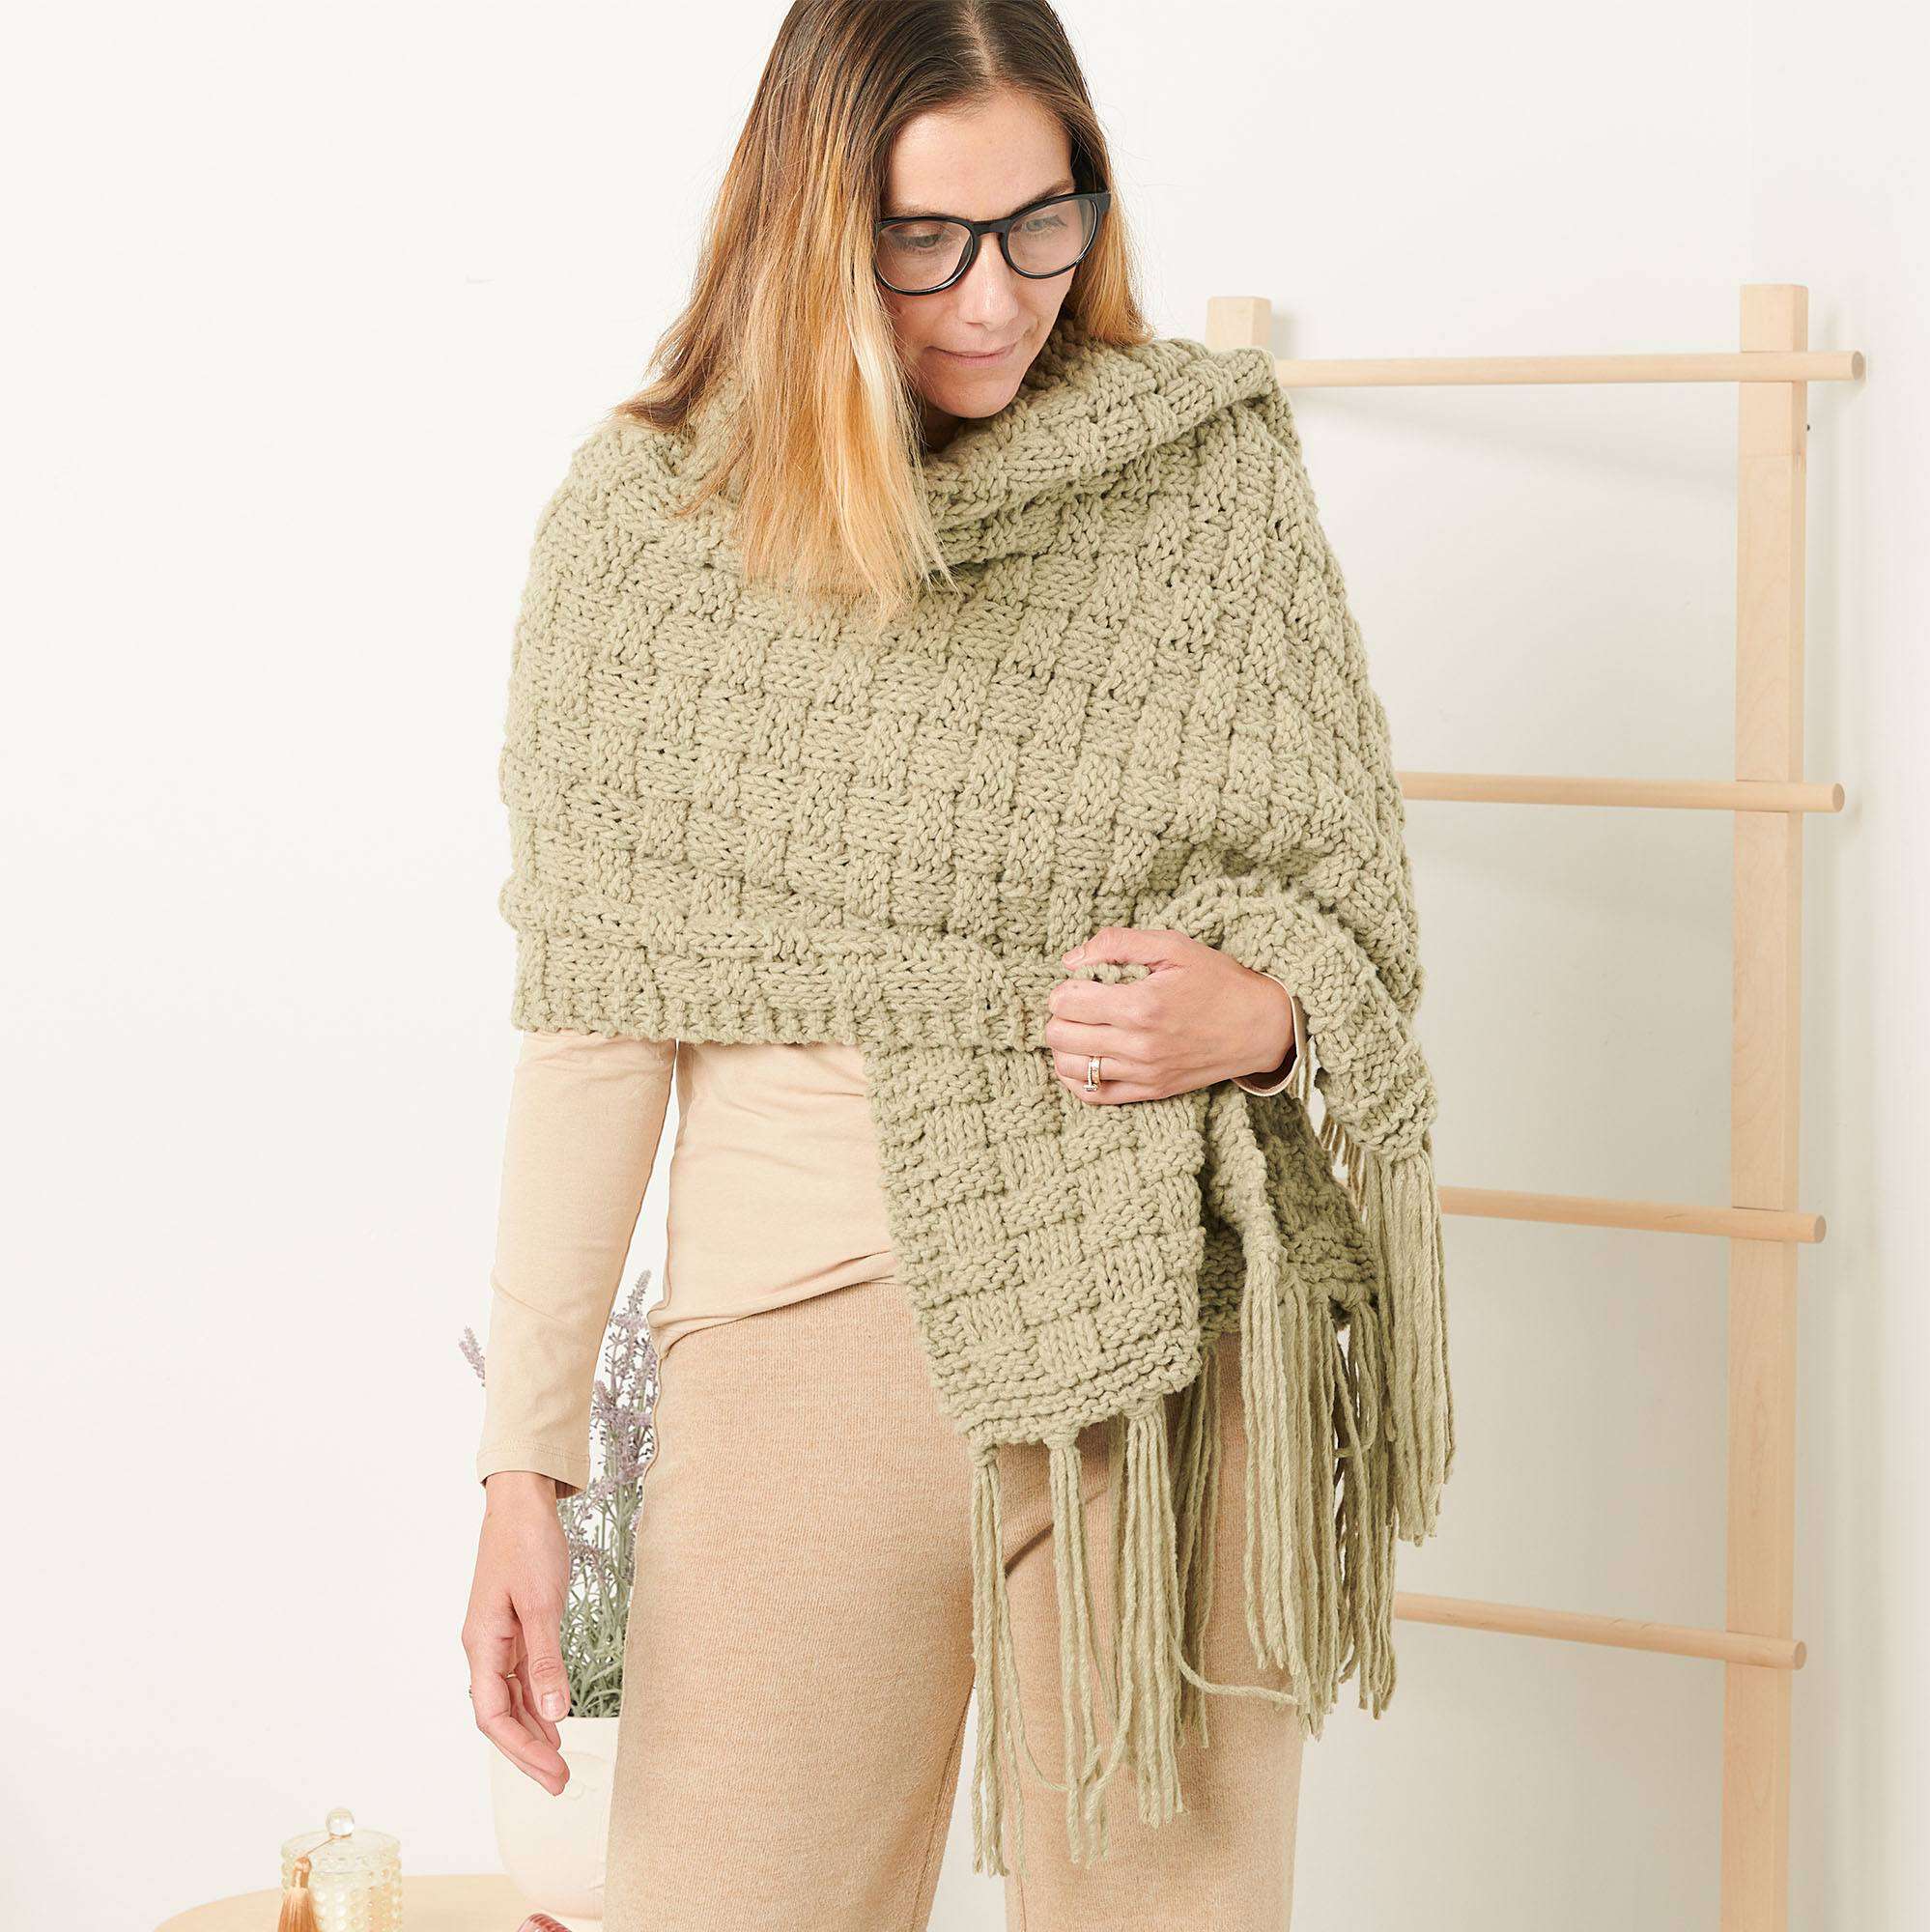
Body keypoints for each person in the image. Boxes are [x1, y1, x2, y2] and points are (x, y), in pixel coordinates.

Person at [459, 5, 1413, 1928]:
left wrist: (1255, 1014)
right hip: (797, 1335)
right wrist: (525, 1472)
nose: (996, 297)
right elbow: (596, 1022)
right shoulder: (654, 534)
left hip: (1160, 1330)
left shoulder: (1200, 477)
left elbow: (1351, 905)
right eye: (924, 238)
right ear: (809, 227)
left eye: (1041, 223)